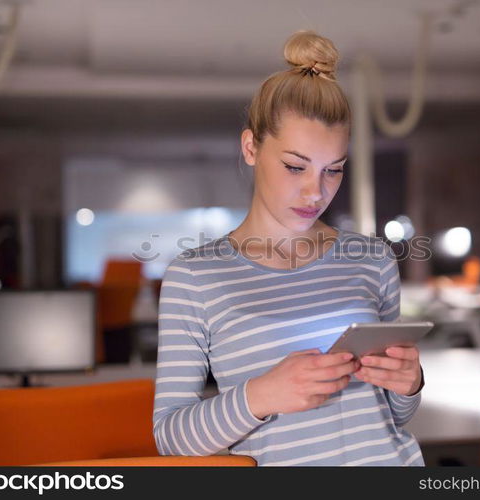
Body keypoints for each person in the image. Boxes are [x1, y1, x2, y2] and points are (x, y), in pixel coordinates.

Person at [153, 30, 425, 466]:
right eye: (295, 166)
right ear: (250, 147)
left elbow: (395, 417)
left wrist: (410, 383)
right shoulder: (195, 277)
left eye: (332, 170)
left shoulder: (373, 259)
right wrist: (262, 394)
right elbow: (170, 438)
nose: (314, 192)